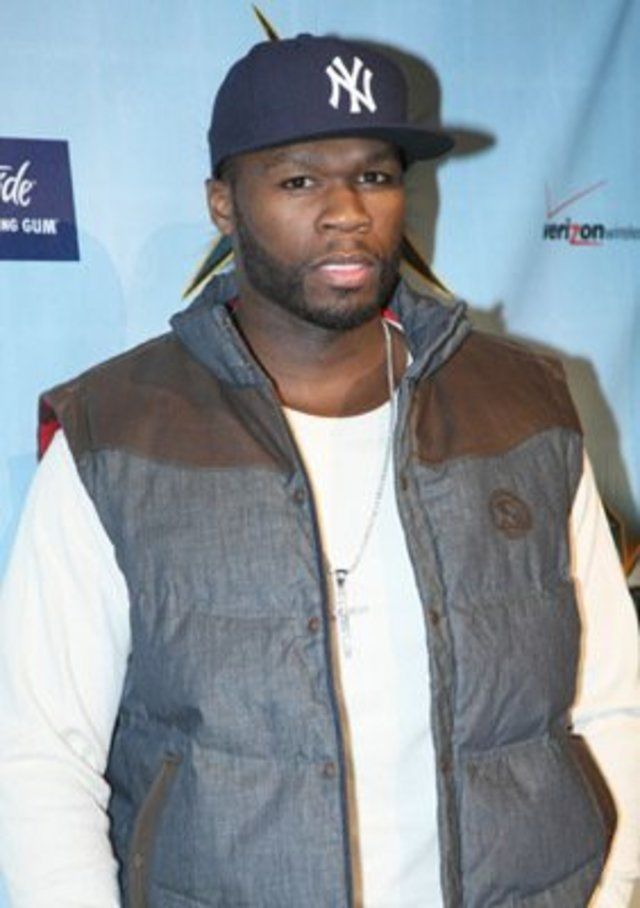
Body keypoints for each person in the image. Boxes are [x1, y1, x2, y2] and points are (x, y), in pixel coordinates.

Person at [0, 32, 639, 908]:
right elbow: (40, 753)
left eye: (374, 175)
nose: (347, 211)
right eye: (299, 180)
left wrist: (616, 886)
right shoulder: (113, 434)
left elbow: (612, 696)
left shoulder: (524, 405)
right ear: (223, 204)